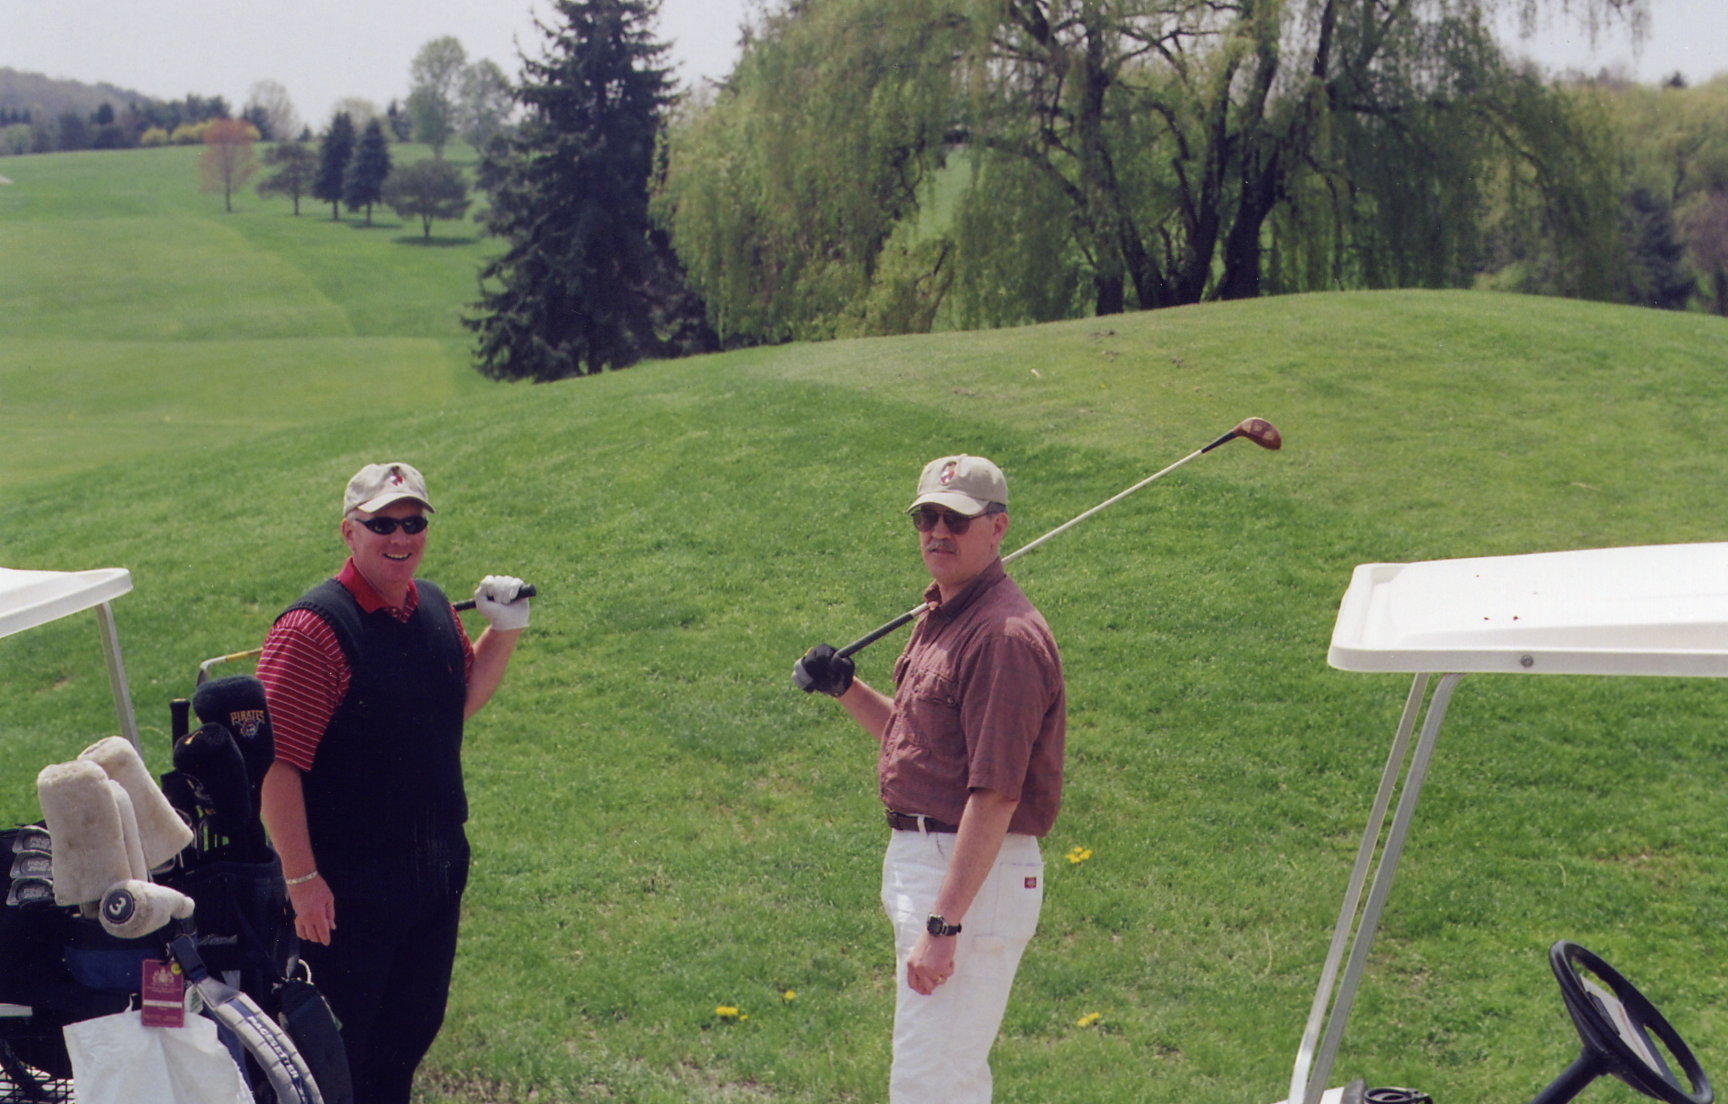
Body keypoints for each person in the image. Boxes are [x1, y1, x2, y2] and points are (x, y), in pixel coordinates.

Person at [794, 453, 1066, 1104]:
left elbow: (996, 793)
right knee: (938, 1077)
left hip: (969, 876)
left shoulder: (1002, 636)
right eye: (927, 517)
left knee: (931, 1084)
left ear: (998, 528)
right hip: (938, 863)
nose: (939, 531)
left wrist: (944, 926)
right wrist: (845, 688)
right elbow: (921, 744)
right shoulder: (944, 615)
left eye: (957, 519)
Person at [257, 461, 529, 1104]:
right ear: (349, 532)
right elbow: (275, 764)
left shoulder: (431, 605)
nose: (400, 537)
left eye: (413, 523)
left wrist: (505, 631)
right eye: (382, 525)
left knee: (406, 1038)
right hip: (346, 893)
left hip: (431, 878)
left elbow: (455, 702)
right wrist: (302, 879)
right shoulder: (312, 631)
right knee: (339, 1056)